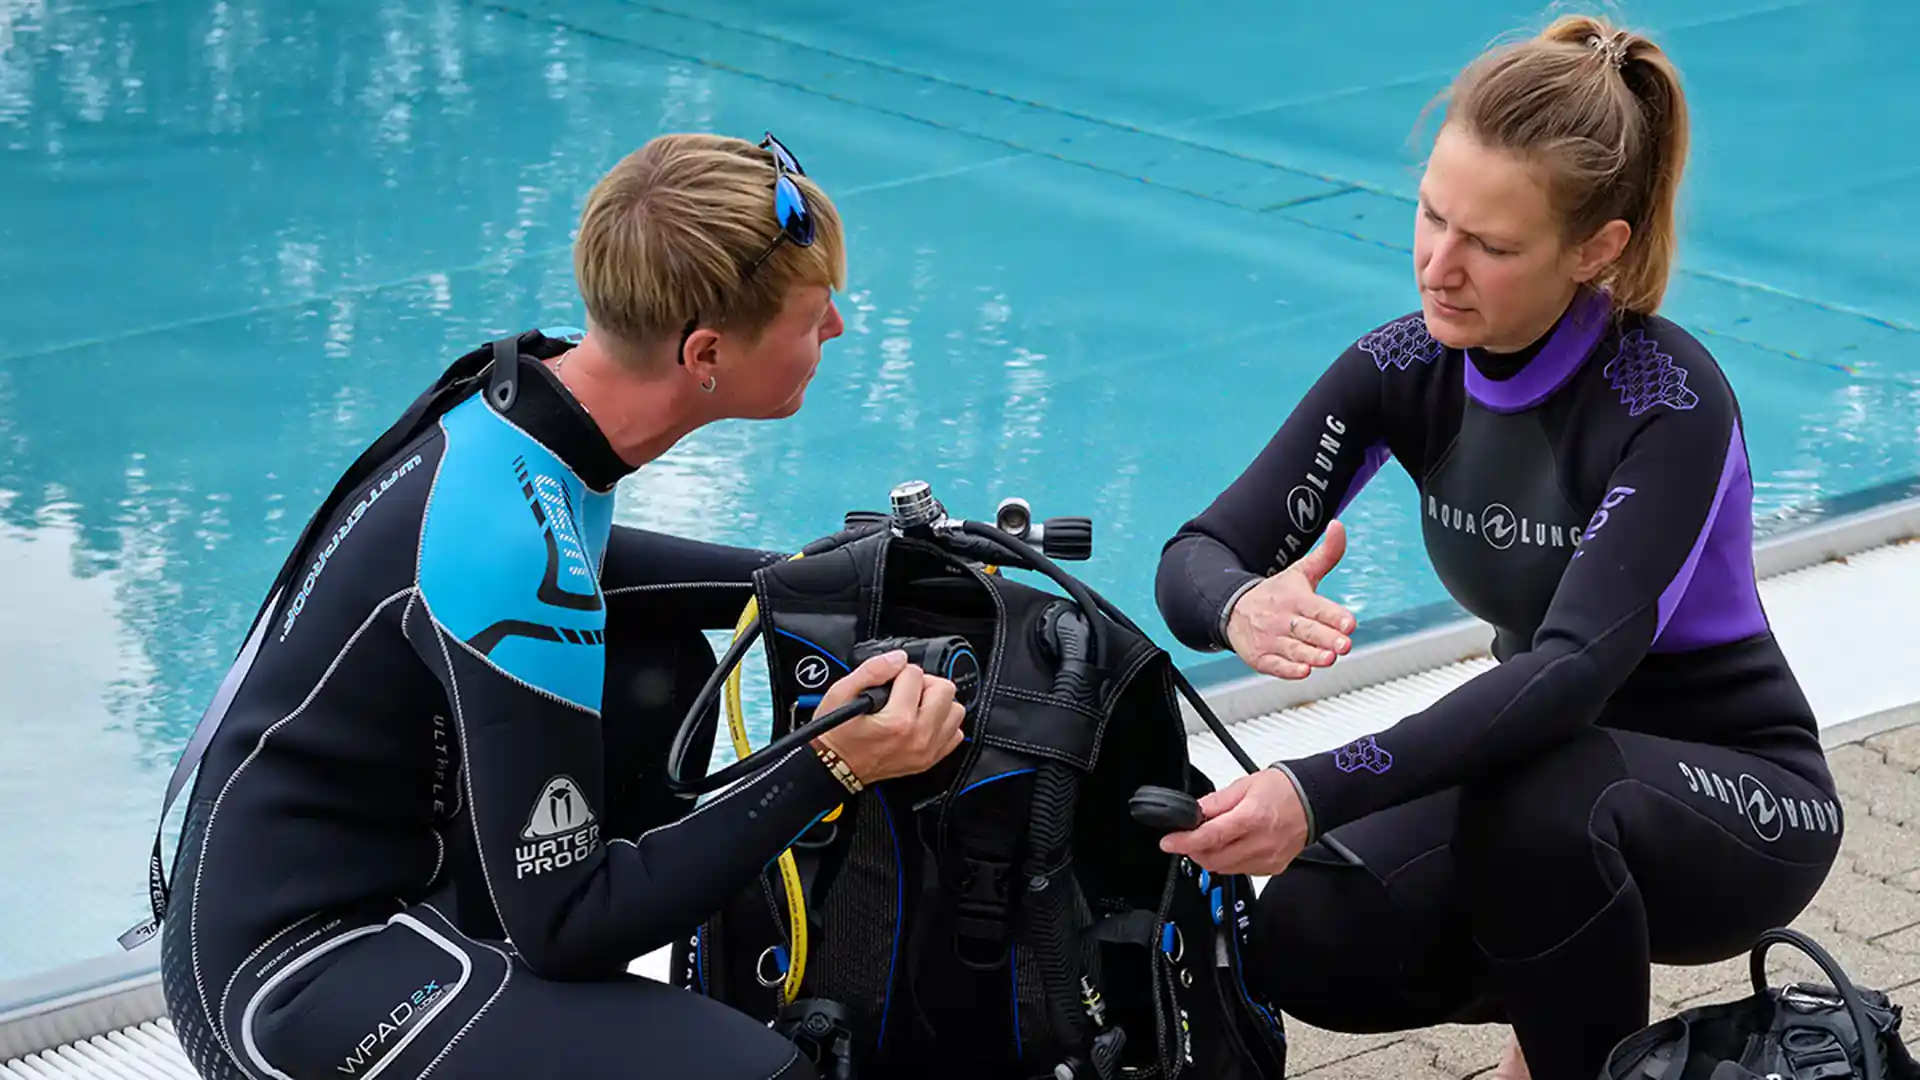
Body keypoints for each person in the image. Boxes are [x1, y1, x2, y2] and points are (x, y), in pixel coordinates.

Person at [151, 132, 968, 1080]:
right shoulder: (505, 537)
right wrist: (832, 761)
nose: (835, 325)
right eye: (809, 312)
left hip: (403, 882)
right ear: (703, 351)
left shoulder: (535, 397)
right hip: (292, 980)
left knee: (660, 669)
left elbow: (589, 564)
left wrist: (807, 575)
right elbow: (569, 924)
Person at [1151, 16, 1842, 1080]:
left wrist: (1315, 786)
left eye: (1493, 244)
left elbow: (1569, 674)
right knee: (1312, 929)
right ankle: (1574, 1007)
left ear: (1596, 248)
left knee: (1544, 808)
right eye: (1432, 214)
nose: (1440, 265)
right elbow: (1197, 552)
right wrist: (1239, 601)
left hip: (1744, 799)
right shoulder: (1405, 366)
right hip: (1547, 780)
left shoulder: (1665, 398)